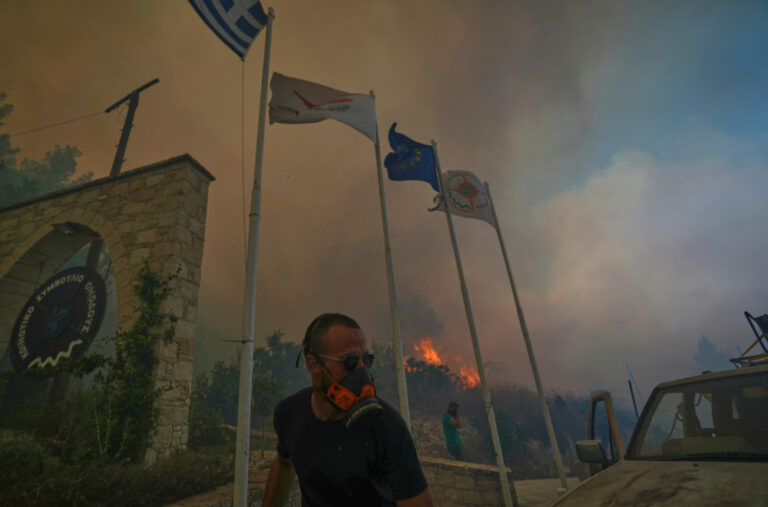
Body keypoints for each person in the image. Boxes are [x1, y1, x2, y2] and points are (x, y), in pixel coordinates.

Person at [262, 313, 433, 507]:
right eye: (349, 361)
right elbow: (284, 464)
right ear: (313, 364)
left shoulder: (387, 426)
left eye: (366, 360)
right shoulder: (289, 414)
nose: (362, 372)